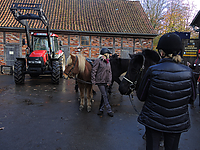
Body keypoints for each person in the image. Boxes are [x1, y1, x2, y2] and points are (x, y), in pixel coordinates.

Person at [136, 33, 196, 150]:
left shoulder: (152, 70)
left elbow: (141, 96)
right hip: (177, 121)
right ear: (178, 52)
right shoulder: (188, 72)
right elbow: (192, 98)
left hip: (153, 121)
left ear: (161, 53)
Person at [91, 48, 114, 117]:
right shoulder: (98, 61)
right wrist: (93, 80)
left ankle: (101, 110)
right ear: (105, 54)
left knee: (104, 96)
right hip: (100, 81)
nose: (109, 55)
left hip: (106, 81)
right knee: (105, 95)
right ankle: (109, 110)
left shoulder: (108, 62)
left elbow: (110, 72)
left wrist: (109, 81)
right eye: (108, 54)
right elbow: (94, 71)